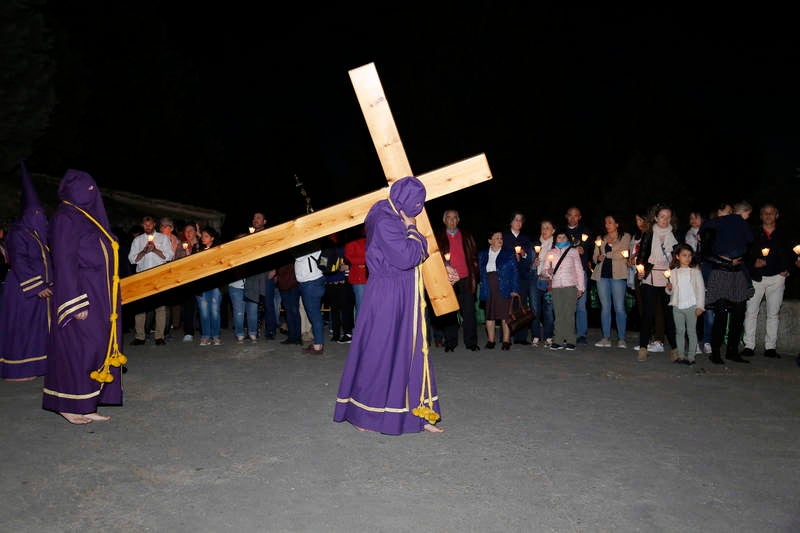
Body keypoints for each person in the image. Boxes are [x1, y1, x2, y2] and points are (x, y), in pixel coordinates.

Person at [334, 176, 443, 434]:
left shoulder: (397, 214)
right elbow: (407, 255)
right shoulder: (383, 220)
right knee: (380, 351)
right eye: (413, 204)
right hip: (387, 293)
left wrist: (413, 234)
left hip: (406, 292)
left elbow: (416, 252)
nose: (416, 209)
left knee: (411, 352)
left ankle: (415, 414)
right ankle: (365, 414)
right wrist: (413, 229)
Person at [43, 169, 125, 424]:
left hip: (102, 294)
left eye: (93, 187)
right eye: (85, 188)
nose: (91, 192)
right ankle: (68, 404)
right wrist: (74, 301)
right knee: (81, 348)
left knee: (97, 346)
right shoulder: (65, 218)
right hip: (83, 293)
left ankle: (87, 403)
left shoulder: (87, 218)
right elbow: (65, 262)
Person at [0, 162, 52, 381]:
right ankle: (18, 369)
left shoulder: (38, 235)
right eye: (34, 213)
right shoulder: (18, 234)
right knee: (22, 329)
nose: (39, 216)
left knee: (37, 331)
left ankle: (37, 366)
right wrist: (37, 286)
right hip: (23, 292)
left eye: (41, 213)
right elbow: (19, 261)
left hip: (42, 294)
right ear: (26, 215)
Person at [699, 201, 754, 365]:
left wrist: (739, 260)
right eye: (728, 212)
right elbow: (705, 255)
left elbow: (748, 245)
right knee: (721, 313)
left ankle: (732, 351)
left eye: (732, 212)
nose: (731, 216)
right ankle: (715, 352)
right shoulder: (710, 229)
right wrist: (727, 263)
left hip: (737, 274)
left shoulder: (738, 228)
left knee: (739, 312)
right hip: (720, 272)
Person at [742, 203, 791, 359]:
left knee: (773, 313)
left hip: (778, 277)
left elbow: (793, 252)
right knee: (751, 312)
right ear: (761, 216)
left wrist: (789, 268)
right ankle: (749, 345)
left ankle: (770, 347)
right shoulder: (753, 233)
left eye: (772, 213)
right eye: (765, 213)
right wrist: (753, 263)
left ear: (777, 215)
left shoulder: (784, 233)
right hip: (757, 277)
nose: (768, 216)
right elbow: (745, 252)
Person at [635, 204, 679, 362]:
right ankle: (643, 348)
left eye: (668, 217)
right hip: (651, 276)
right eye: (662, 217)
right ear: (655, 218)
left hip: (667, 277)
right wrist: (640, 269)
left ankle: (675, 348)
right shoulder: (649, 233)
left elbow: (678, 256)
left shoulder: (673, 234)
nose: (665, 220)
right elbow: (641, 255)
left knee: (669, 314)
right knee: (648, 313)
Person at [434, 209, 480, 351]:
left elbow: (474, 257)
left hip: (466, 278)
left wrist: (475, 272)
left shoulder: (467, 236)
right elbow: (434, 257)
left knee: (469, 312)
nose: (452, 220)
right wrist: (445, 265)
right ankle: (450, 343)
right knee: (449, 313)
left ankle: (471, 342)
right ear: (444, 220)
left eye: (455, 218)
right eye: (449, 218)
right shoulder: (438, 237)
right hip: (447, 281)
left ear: (458, 220)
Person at [128, 215, 174, 345]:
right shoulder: (137, 240)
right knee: (140, 307)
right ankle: (140, 336)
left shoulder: (163, 238)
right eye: (145, 224)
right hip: (142, 275)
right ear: (142, 225)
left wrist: (155, 249)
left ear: (154, 224)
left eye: (150, 224)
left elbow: (169, 256)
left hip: (158, 275)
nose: (147, 226)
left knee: (160, 307)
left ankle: (159, 336)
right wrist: (143, 251)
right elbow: (132, 259)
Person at [591, 214, 632, 349]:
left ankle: (621, 338)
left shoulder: (625, 236)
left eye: (610, 222)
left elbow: (623, 253)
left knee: (619, 307)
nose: (607, 225)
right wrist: (597, 258)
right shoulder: (600, 238)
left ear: (617, 224)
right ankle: (606, 337)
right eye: (606, 223)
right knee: (605, 307)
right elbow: (595, 256)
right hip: (602, 275)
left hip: (618, 275)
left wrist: (607, 255)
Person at [478, 230, 520, 351]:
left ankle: (506, 341)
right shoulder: (482, 254)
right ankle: (491, 340)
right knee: (489, 315)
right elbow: (480, 272)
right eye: (496, 238)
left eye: (501, 238)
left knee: (505, 315)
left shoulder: (508, 253)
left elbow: (515, 272)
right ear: (490, 241)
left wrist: (515, 288)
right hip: (488, 286)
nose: (500, 240)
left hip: (503, 286)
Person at [665, 244, 705, 365]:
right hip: (677, 306)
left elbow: (701, 290)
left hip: (692, 306)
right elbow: (670, 291)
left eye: (689, 256)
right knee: (679, 331)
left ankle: (691, 356)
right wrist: (669, 288)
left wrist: (700, 306)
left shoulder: (695, 272)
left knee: (691, 331)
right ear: (677, 256)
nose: (687, 258)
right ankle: (681, 356)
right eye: (684, 255)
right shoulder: (673, 272)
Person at [546, 229, 586, 350]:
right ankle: (558, 340)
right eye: (559, 237)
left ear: (568, 239)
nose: (561, 239)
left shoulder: (573, 251)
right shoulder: (550, 252)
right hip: (556, 286)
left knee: (569, 313)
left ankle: (570, 340)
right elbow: (545, 270)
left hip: (570, 286)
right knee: (558, 313)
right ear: (555, 239)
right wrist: (548, 272)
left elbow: (579, 270)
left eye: (564, 237)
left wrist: (580, 287)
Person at [244, 212, 278, 342]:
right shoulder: (249, 237)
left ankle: (270, 330)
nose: (255, 220)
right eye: (254, 218)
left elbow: (276, 252)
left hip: (266, 273)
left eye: (258, 218)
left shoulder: (269, 234)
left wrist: (274, 269)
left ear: (265, 221)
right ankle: (253, 330)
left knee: (268, 303)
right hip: (252, 274)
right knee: (252, 302)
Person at [502, 211, 533, 344]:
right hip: (507, 276)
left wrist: (524, 254)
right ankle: (506, 336)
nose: (518, 223)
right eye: (516, 220)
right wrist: (510, 258)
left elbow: (530, 258)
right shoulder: (503, 237)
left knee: (522, 304)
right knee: (507, 305)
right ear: (510, 222)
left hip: (522, 275)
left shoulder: (525, 239)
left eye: (520, 220)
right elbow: (499, 255)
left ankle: (521, 337)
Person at [563, 206, 592, 344]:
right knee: (567, 304)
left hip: (580, 272)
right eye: (570, 215)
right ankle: (566, 332)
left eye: (576, 215)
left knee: (581, 304)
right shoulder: (562, 232)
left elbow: (590, 251)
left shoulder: (585, 232)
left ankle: (581, 334)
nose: (573, 218)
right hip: (565, 272)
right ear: (566, 216)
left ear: (580, 217)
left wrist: (584, 250)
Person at [294, 240, 326, 355]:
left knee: (314, 315)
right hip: (313, 282)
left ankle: (318, 346)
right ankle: (319, 343)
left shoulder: (309, 246)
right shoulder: (312, 245)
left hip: (310, 283)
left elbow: (298, 256)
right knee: (314, 314)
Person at [530, 219, 556, 348]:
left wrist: (554, 270)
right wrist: (533, 265)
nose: (544, 230)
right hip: (536, 280)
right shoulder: (535, 245)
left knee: (549, 310)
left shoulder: (556, 246)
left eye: (547, 227)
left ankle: (548, 336)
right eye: (542, 227)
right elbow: (528, 265)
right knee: (535, 309)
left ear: (553, 230)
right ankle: (535, 336)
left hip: (550, 282)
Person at [195, 227, 222, 346]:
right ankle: (205, 336)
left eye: (206, 236)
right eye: (202, 236)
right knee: (204, 311)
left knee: (215, 311)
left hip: (215, 284)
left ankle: (215, 336)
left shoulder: (218, 250)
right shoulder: (197, 250)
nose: (203, 238)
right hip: (201, 285)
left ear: (212, 238)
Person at [344, 226, 367, 319]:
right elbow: (349, 258)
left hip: (371, 277)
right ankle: (359, 332)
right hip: (359, 279)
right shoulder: (351, 242)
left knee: (370, 306)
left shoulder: (370, 239)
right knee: (361, 306)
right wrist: (367, 261)